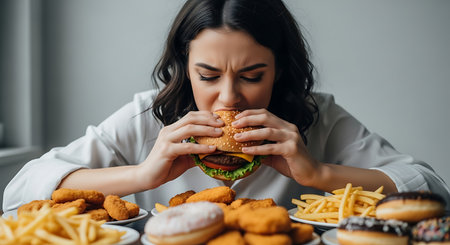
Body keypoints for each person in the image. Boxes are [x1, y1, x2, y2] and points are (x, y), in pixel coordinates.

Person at [3, 0, 450, 212]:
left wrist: (318, 174)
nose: (230, 97)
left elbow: (433, 191)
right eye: (208, 76)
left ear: (280, 70)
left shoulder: (318, 115)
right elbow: (18, 192)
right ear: (184, 68)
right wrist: (143, 175)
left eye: (253, 76)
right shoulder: (150, 117)